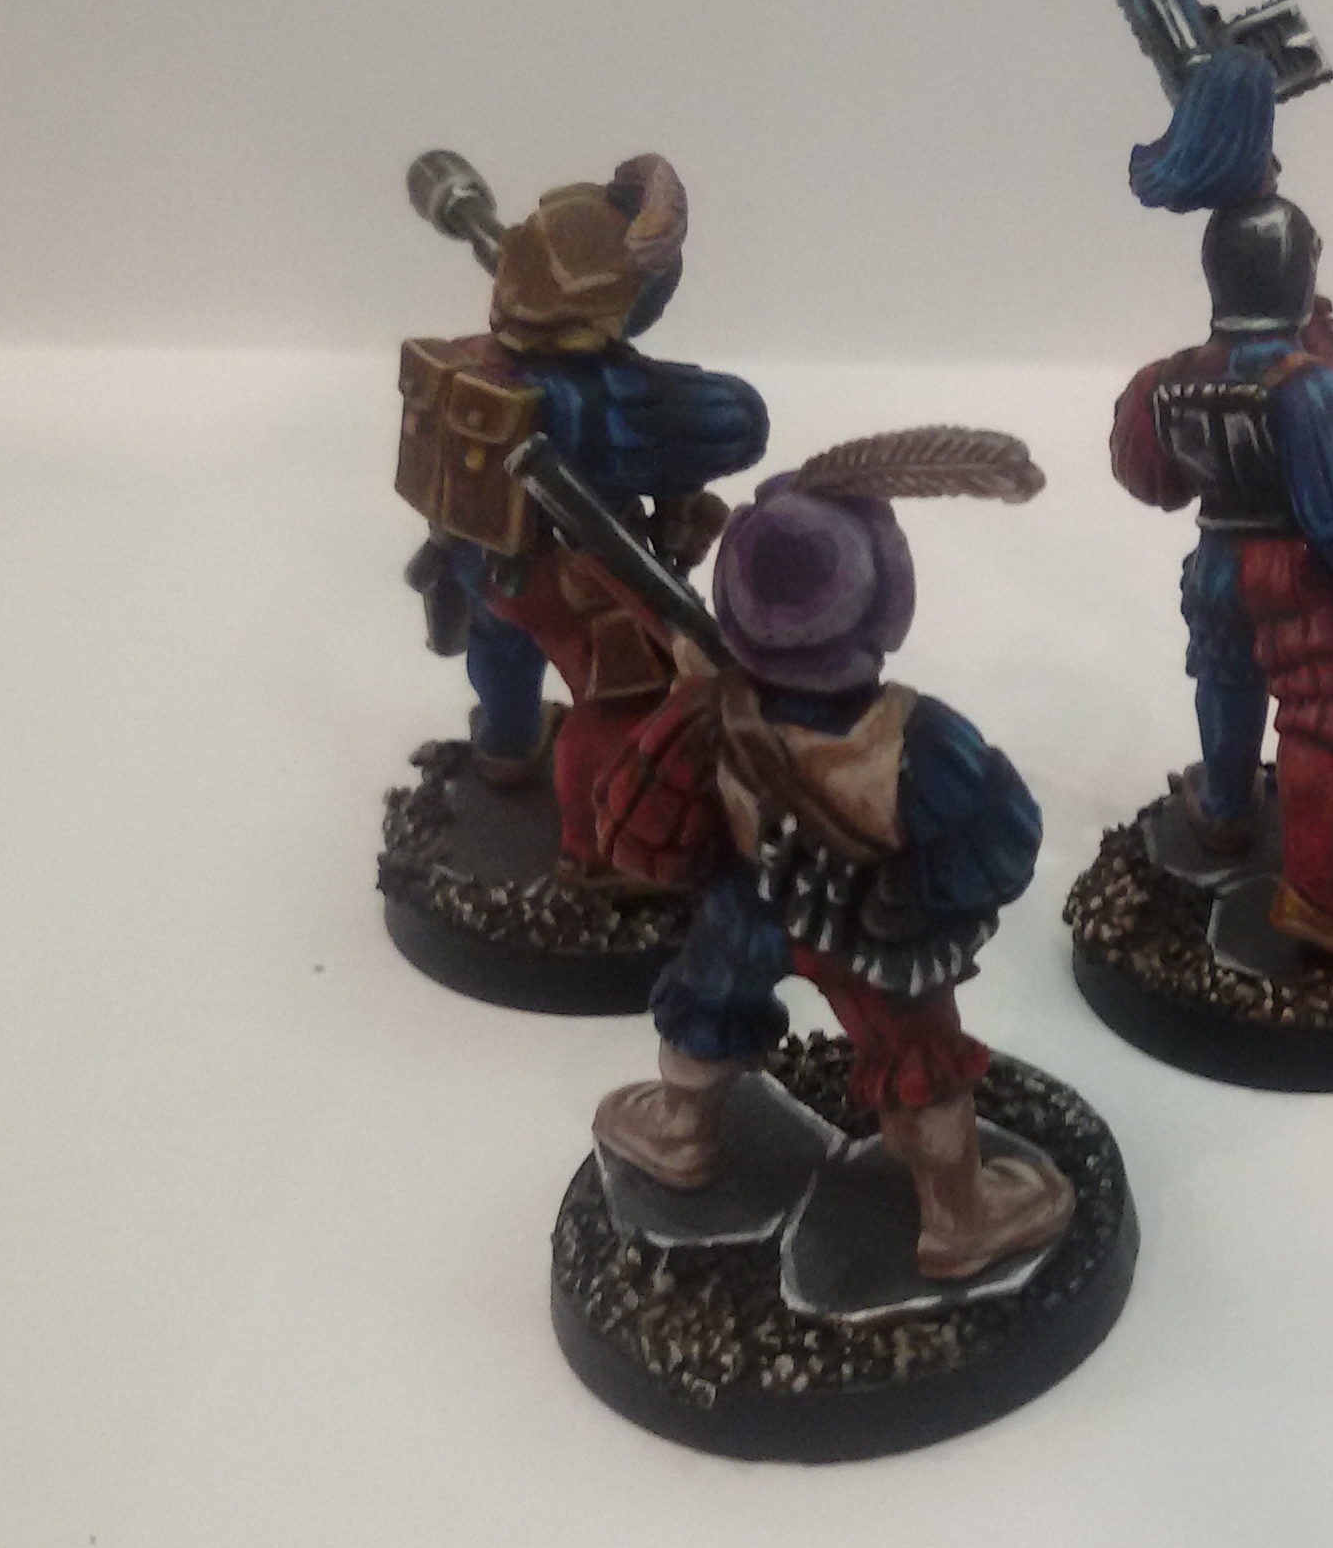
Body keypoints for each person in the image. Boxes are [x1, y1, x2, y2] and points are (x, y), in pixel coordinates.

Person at [587, 455, 1070, 1280]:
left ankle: (682, 1128)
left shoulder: (718, 705)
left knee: (710, 998)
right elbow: (1006, 845)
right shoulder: (921, 739)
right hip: (861, 931)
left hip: (752, 907)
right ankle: (958, 1212)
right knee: (918, 1059)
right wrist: (923, 898)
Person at [1104, 47, 1333, 960]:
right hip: (1299, 579)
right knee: (1319, 713)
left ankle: (1227, 809)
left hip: (1215, 567)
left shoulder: (1163, 379)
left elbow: (1149, 480)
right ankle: (1309, 894)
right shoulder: (1316, 393)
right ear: (1297, 274)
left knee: (1224, 679)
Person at [398, 155, 767, 880]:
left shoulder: (474, 361)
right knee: (624, 703)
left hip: (483, 565)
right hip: (577, 582)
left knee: (501, 650)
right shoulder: (606, 402)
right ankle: (598, 855)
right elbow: (741, 421)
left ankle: (506, 748)